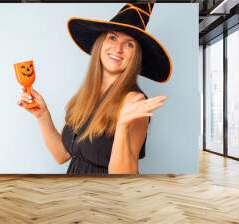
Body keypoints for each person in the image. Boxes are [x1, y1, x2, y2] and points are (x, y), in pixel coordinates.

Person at [18, 3, 172, 175]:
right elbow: (62, 154)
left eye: (129, 44)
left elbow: (124, 176)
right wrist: (42, 116)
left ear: (136, 57)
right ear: (101, 43)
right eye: (112, 38)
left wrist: (122, 126)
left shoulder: (133, 101)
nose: (118, 49)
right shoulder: (86, 93)